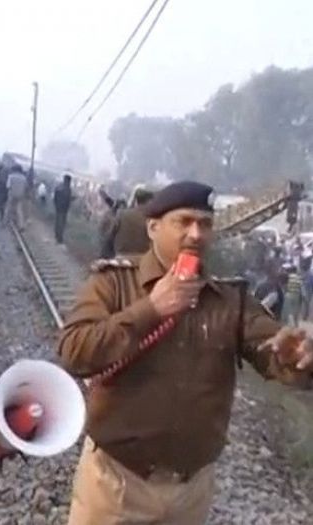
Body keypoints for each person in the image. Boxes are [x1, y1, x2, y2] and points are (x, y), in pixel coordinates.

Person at [58, 180, 313, 525]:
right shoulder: (113, 283)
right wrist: (150, 309)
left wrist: (296, 355)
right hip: (116, 483)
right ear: (153, 227)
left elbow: (273, 349)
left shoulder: (229, 300)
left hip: (190, 492)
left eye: (205, 224)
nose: (196, 234)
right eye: (184, 222)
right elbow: (74, 351)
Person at [110, 188, 154, 256]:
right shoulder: (152, 218)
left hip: (122, 257)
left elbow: (111, 235)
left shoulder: (122, 214)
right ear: (149, 201)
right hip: (143, 258)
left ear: (136, 200)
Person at [53, 174, 74, 244]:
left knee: (58, 222)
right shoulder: (68, 189)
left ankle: (57, 235)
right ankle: (59, 238)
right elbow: (68, 199)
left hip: (58, 207)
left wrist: (56, 204)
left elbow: (55, 197)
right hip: (64, 208)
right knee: (61, 223)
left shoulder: (59, 187)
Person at [5, 164, 27, 229]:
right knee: (19, 210)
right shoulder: (24, 178)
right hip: (20, 195)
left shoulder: (11, 176)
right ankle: (21, 225)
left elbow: (8, 186)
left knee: (8, 208)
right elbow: (25, 187)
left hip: (11, 194)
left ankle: (6, 222)